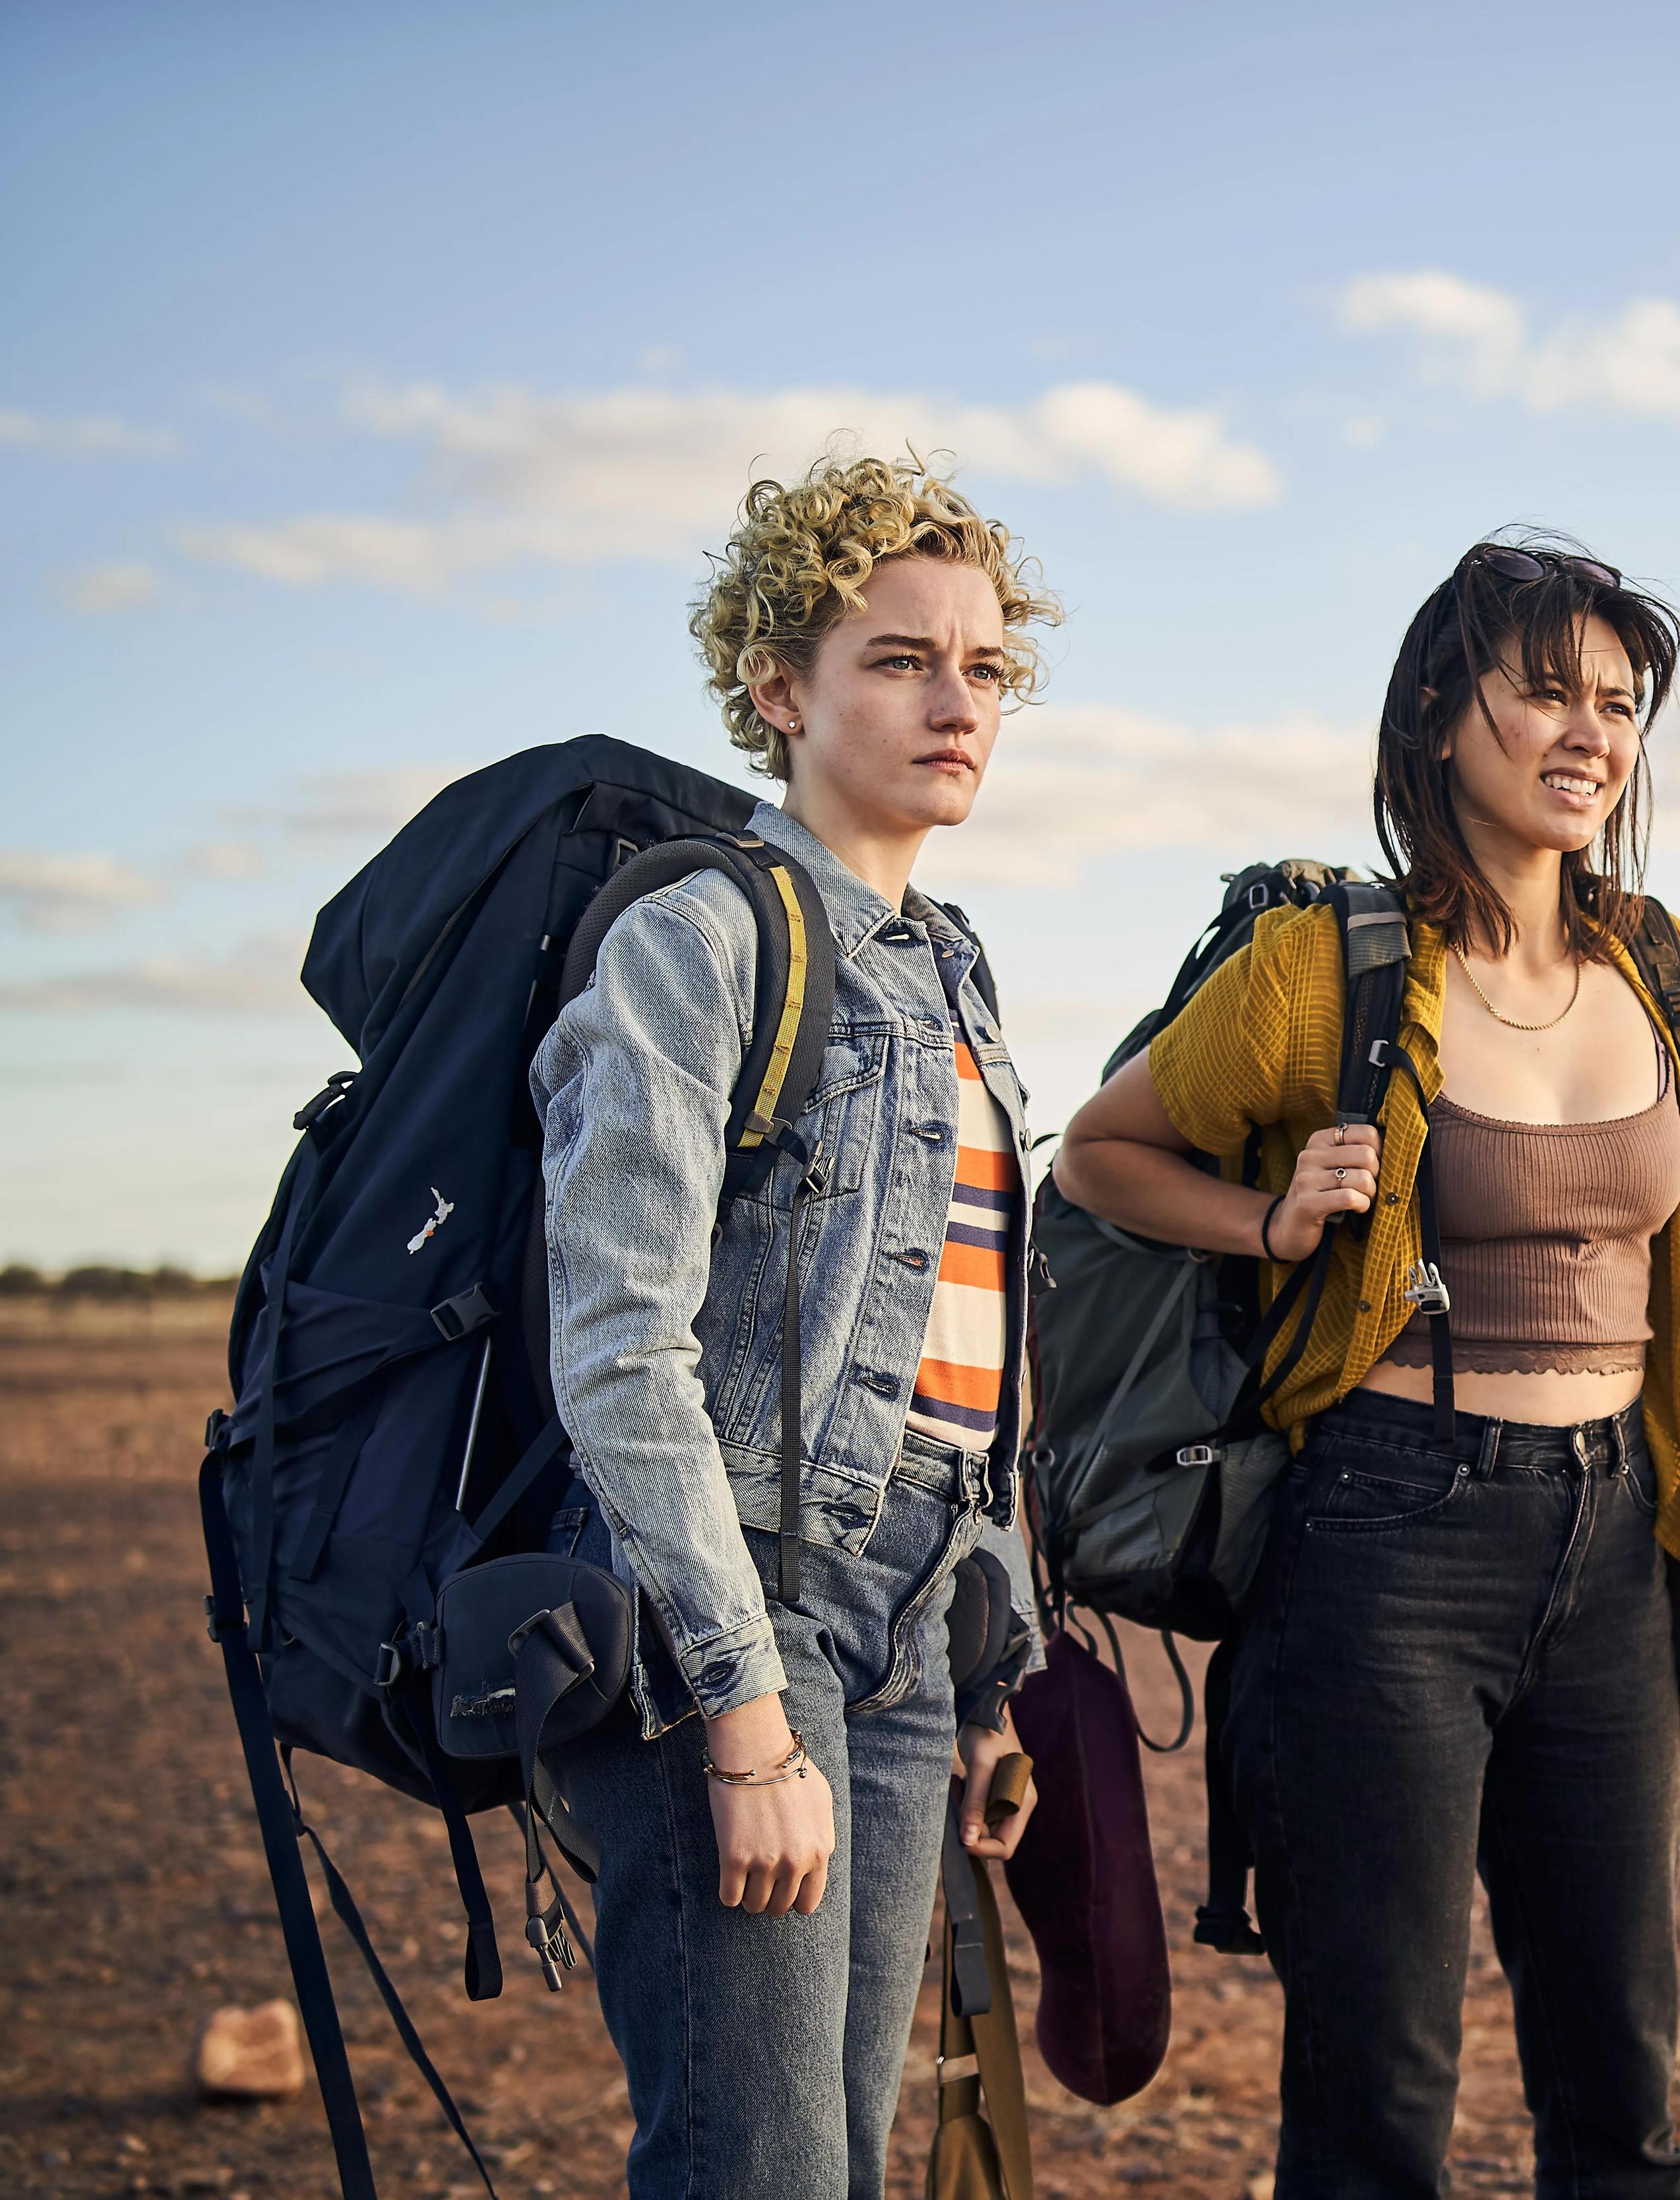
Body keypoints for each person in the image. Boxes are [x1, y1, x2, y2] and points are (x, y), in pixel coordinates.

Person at [1054, 536, 1680, 2199]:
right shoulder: (1328, 969)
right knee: (1378, 2101)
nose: (1592, 733)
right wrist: (1267, 1220)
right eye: (1549, 692)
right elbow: (1098, 1156)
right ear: (1443, 713)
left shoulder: (1657, 963)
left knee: (1619, 2084)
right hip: (1386, 1543)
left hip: (1614, 1539)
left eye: (1621, 703)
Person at [531, 454, 1055, 2199]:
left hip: (909, 1622)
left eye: (985, 667)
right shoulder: (698, 939)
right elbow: (620, 1341)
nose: (957, 704)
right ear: (778, 687)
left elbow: (969, 1356)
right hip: (742, 1601)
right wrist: (739, 1707)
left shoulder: (953, 966)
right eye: (901, 660)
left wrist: (988, 1669)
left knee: (837, 2158)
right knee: (756, 2168)